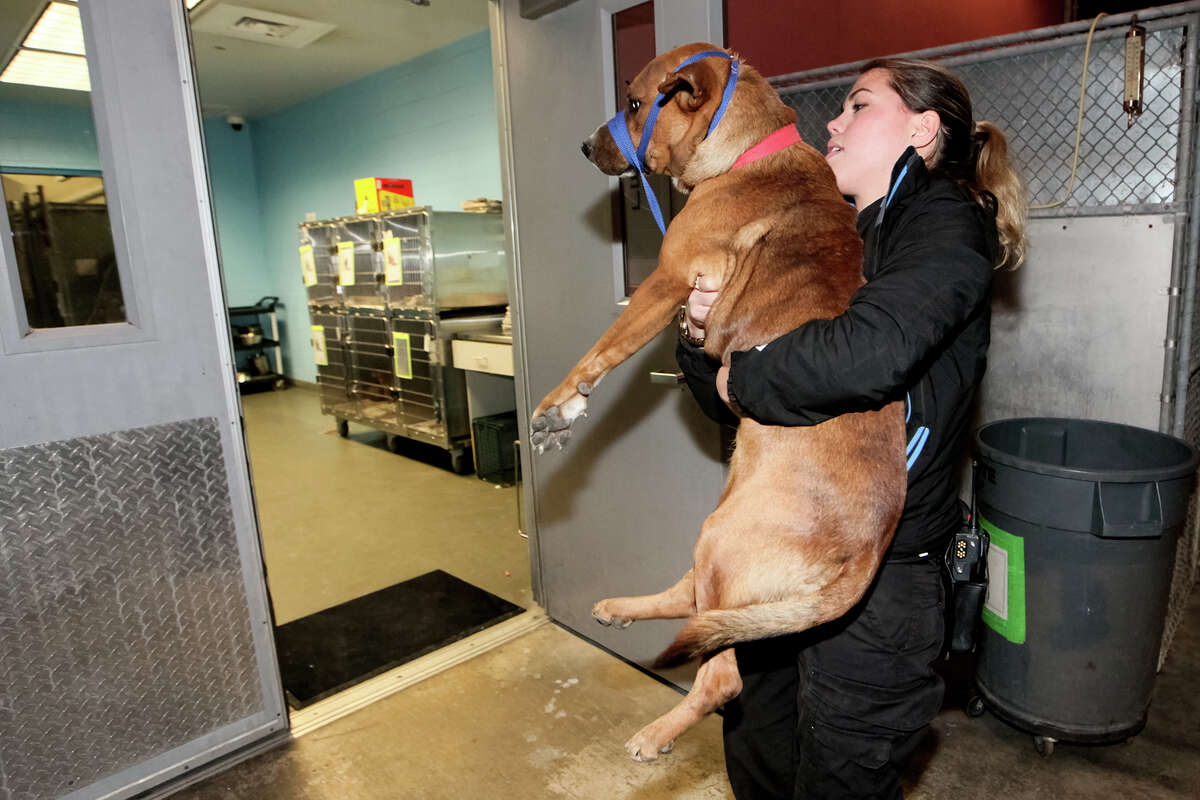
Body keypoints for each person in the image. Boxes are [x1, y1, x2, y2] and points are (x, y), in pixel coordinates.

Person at [675, 59, 1027, 799]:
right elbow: (731, 403)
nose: (831, 123)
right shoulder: (827, 235)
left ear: (923, 129)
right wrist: (700, 337)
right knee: (759, 751)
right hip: (782, 547)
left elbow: (867, 355)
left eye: (858, 105)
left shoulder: (944, 221)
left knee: (842, 773)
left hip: (877, 571)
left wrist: (745, 372)